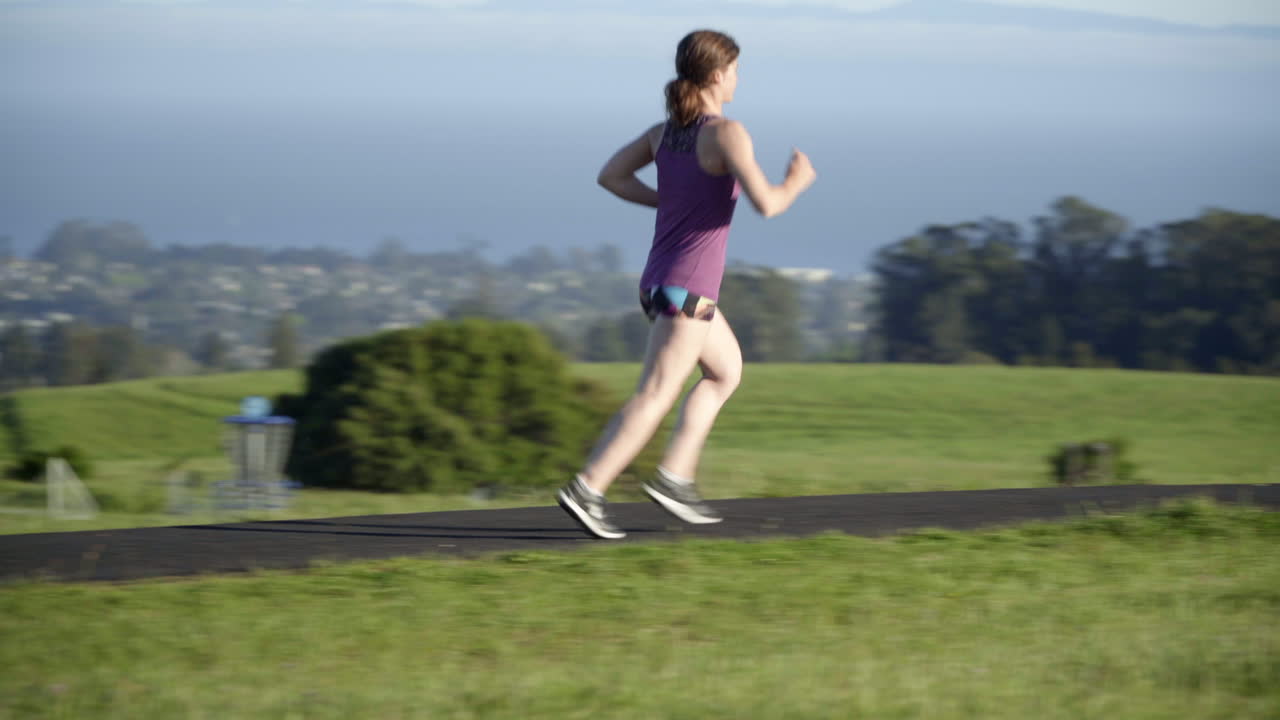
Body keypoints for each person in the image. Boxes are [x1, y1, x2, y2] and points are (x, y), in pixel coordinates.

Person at [557, 29, 817, 539]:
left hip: (660, 282)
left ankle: (674, 477)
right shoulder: (725, 133)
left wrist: (667, 202)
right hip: (689, 288)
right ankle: (588, 488)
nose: (739, 79)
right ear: (718, 75)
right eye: (737, 70)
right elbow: (768, 203)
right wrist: (797, 181)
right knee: (656, 393)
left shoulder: (663, 134)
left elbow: (611, 176)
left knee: (726, 372)